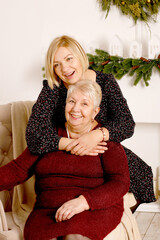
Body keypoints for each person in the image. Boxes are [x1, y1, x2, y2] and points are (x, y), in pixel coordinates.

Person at [26, 35, 156, 210]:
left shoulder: (106, 82)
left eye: (69, 59)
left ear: (80, 55)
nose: (64, 68)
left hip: (102, 150)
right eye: (56, 64)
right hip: (66, 155)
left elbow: (126, 123)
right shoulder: (52, 90)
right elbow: (34, 135)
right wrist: (73, 144)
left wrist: (96, 135)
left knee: (141, 175)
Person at [0, 80, 130, 240]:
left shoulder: (105, 139)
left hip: (91, 208)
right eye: (72, 101)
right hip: (48, 210)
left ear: (95, 111)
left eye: (84, 104)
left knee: (74, 237)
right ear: (65, 105)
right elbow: (17, 170)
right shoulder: (48, 137)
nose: (76, 109)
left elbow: (120, 182)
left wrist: (83, 202)